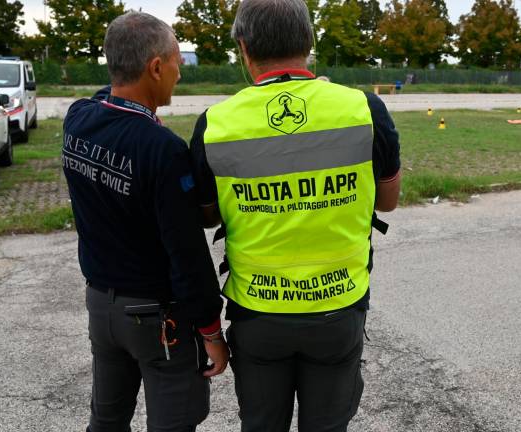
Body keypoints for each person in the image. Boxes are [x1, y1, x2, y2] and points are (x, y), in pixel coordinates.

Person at [189, 0, 401, 430]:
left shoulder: (216, 122)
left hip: (258, 312)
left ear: (244, 48)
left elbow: (207, 216)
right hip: (339, 306)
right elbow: (388, 201)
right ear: (309, 42)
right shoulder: (364, 110)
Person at [62, 11, 228, 432]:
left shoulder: (78, 118)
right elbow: (186, 252)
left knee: (106, 419)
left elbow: (111, 93)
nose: (180, 74)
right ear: (155, 67)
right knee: (174, 423)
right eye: (176, 62)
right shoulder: (163, 151)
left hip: (102, 307)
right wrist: (211, 330)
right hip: (156, 318)